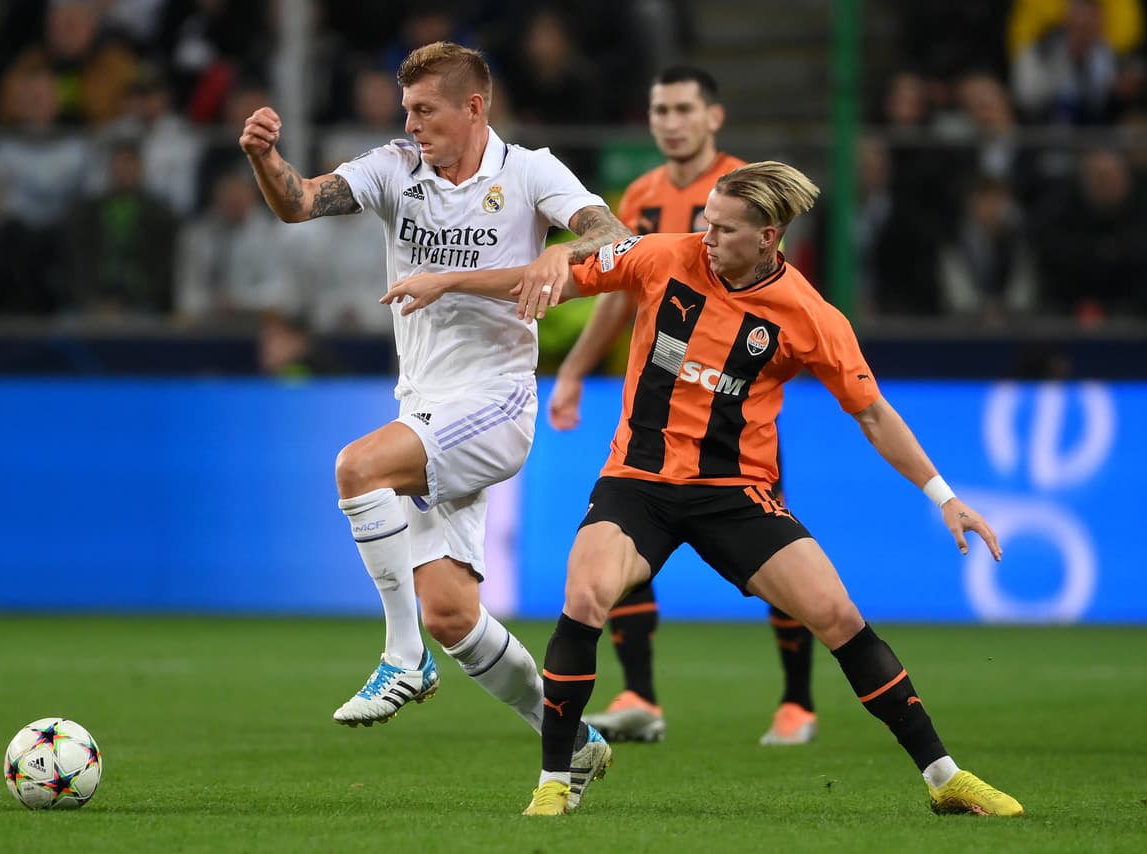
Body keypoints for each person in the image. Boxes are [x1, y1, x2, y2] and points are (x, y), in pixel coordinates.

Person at [382, 161, 1025, 819]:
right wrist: (450, 281)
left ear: (768, 236)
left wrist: (944, 495)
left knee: (839, 618)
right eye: (704, 221)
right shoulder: (662, 257)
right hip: (639, 484)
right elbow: (548, 277)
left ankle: (945, 777)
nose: (705, 235)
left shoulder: (809, 315)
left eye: (722, 227)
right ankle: (555, 777)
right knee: (585, 595)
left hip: (735, 495)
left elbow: (873, 414)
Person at [238, 41, 630, 810]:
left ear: (474, 107)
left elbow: (610, 237)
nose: (410, 123)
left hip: (497, 402)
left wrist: (558, 255)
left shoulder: (530, 173)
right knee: (454, 614)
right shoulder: (394, 169)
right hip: (423, 406)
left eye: (425, 110)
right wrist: (264, 157)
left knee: (357, 469)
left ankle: (400, 655)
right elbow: (296, 202)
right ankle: (573, 742)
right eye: (406, 108)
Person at [551, 66, 816, 747]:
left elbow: (780, 292)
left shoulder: (745, 189)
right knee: (623, 532)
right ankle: (639, 693)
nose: (669, 121)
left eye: (682, 108)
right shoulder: (637, 195)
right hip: (658, 398)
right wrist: (576, 369)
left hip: (732, 411)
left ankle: (798, 702)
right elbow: (619, 290)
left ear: (713, 117)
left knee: (776, 546)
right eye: (658, 109)